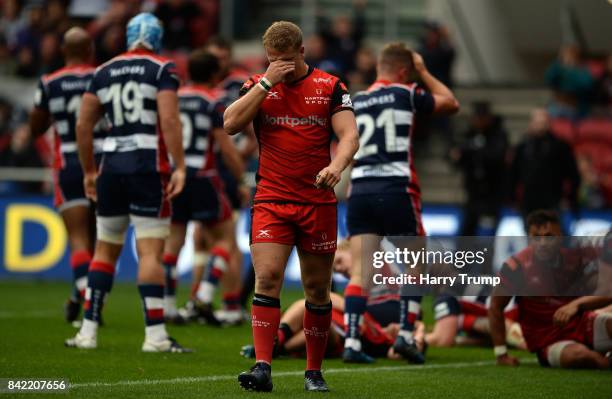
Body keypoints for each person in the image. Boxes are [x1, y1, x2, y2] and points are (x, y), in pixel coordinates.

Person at [224, 21, 359, 392]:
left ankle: (313, 372)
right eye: (272, 60)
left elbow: (349, 136)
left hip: (316, 202)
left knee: (317, 289)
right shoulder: (257, 85)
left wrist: (335, 165)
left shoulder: (330, 86)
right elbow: (231, 123)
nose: (279, 66)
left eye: (285, 60)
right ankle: (262, 367)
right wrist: (268, 81)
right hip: (271, 199)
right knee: (267, 277)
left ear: (302, 52)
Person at [66, 13, 190, 353]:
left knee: (104, 249)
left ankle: (87, 332)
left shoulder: (103, 70)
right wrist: (179, 165)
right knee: (150, 251)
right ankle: (155, 337)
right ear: (157, 37)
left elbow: (82, 126)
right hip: (148, 166)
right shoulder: (162, 68)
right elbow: (168, 118)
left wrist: (89, 171)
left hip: (110, 167)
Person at [343, 42, 459, 364]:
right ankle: (406, 336)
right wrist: (423, 73)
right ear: (405, 70)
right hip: (396, 188)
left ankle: (352, 341)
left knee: (359, 274)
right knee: (415, 264)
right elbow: (451, 103)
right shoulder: (406, 92)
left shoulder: (355, 99)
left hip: (360, 190)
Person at [161, 49, 244, 325]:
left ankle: (169, 306)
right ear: (214, 75)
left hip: (175, 175)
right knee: (225, 239)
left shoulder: (174, 98)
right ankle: (205, 296)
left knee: (173, 242)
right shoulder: (214, 101)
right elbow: (226, 147)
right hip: (204, 176)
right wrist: (240, 177)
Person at [29, 27, 101, 323]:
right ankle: (83, 299)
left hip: (69, 161)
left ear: (63, 51)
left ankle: (84, 304)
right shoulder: (102, 76)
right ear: (90, 50)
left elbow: (35, 128)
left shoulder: (49, 82)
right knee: (100, 239)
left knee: (79, 239)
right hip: (104, 161)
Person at [489, 210, 612, 369]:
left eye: (549, 236)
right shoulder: (515, 267)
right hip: (548, 339)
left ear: (560, 236)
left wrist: (577, 304)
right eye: (536, 237)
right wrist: (501, 354)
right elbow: (495, 307)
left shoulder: (575, 258)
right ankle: (606, 361)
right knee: (578, 356)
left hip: (582, 325)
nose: (542, 243)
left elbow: (606, 293)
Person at [510, 108, 580, 224]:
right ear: (531, 123)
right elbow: (513, 174)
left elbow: (573, 174)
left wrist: (571, 198)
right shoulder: (522, 147)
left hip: (553, 200)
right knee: (531, 235)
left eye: (543, 123)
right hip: (529, 201)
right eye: (537, 123)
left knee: (552, 236)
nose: (540, 126)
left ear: (549, 123)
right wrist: (512, 197)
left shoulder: (561, 147)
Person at [450, 101, 509, 235]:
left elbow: (496, 157)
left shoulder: (498, 135)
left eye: (481, 118)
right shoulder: (469, 134)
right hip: (472, 194)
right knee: (466, 232)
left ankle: (486, 256)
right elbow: (456, 157)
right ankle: (464, 257)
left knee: (487, 235)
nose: (478, 121)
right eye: (476, 117)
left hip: (492, 194)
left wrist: (472, 150)